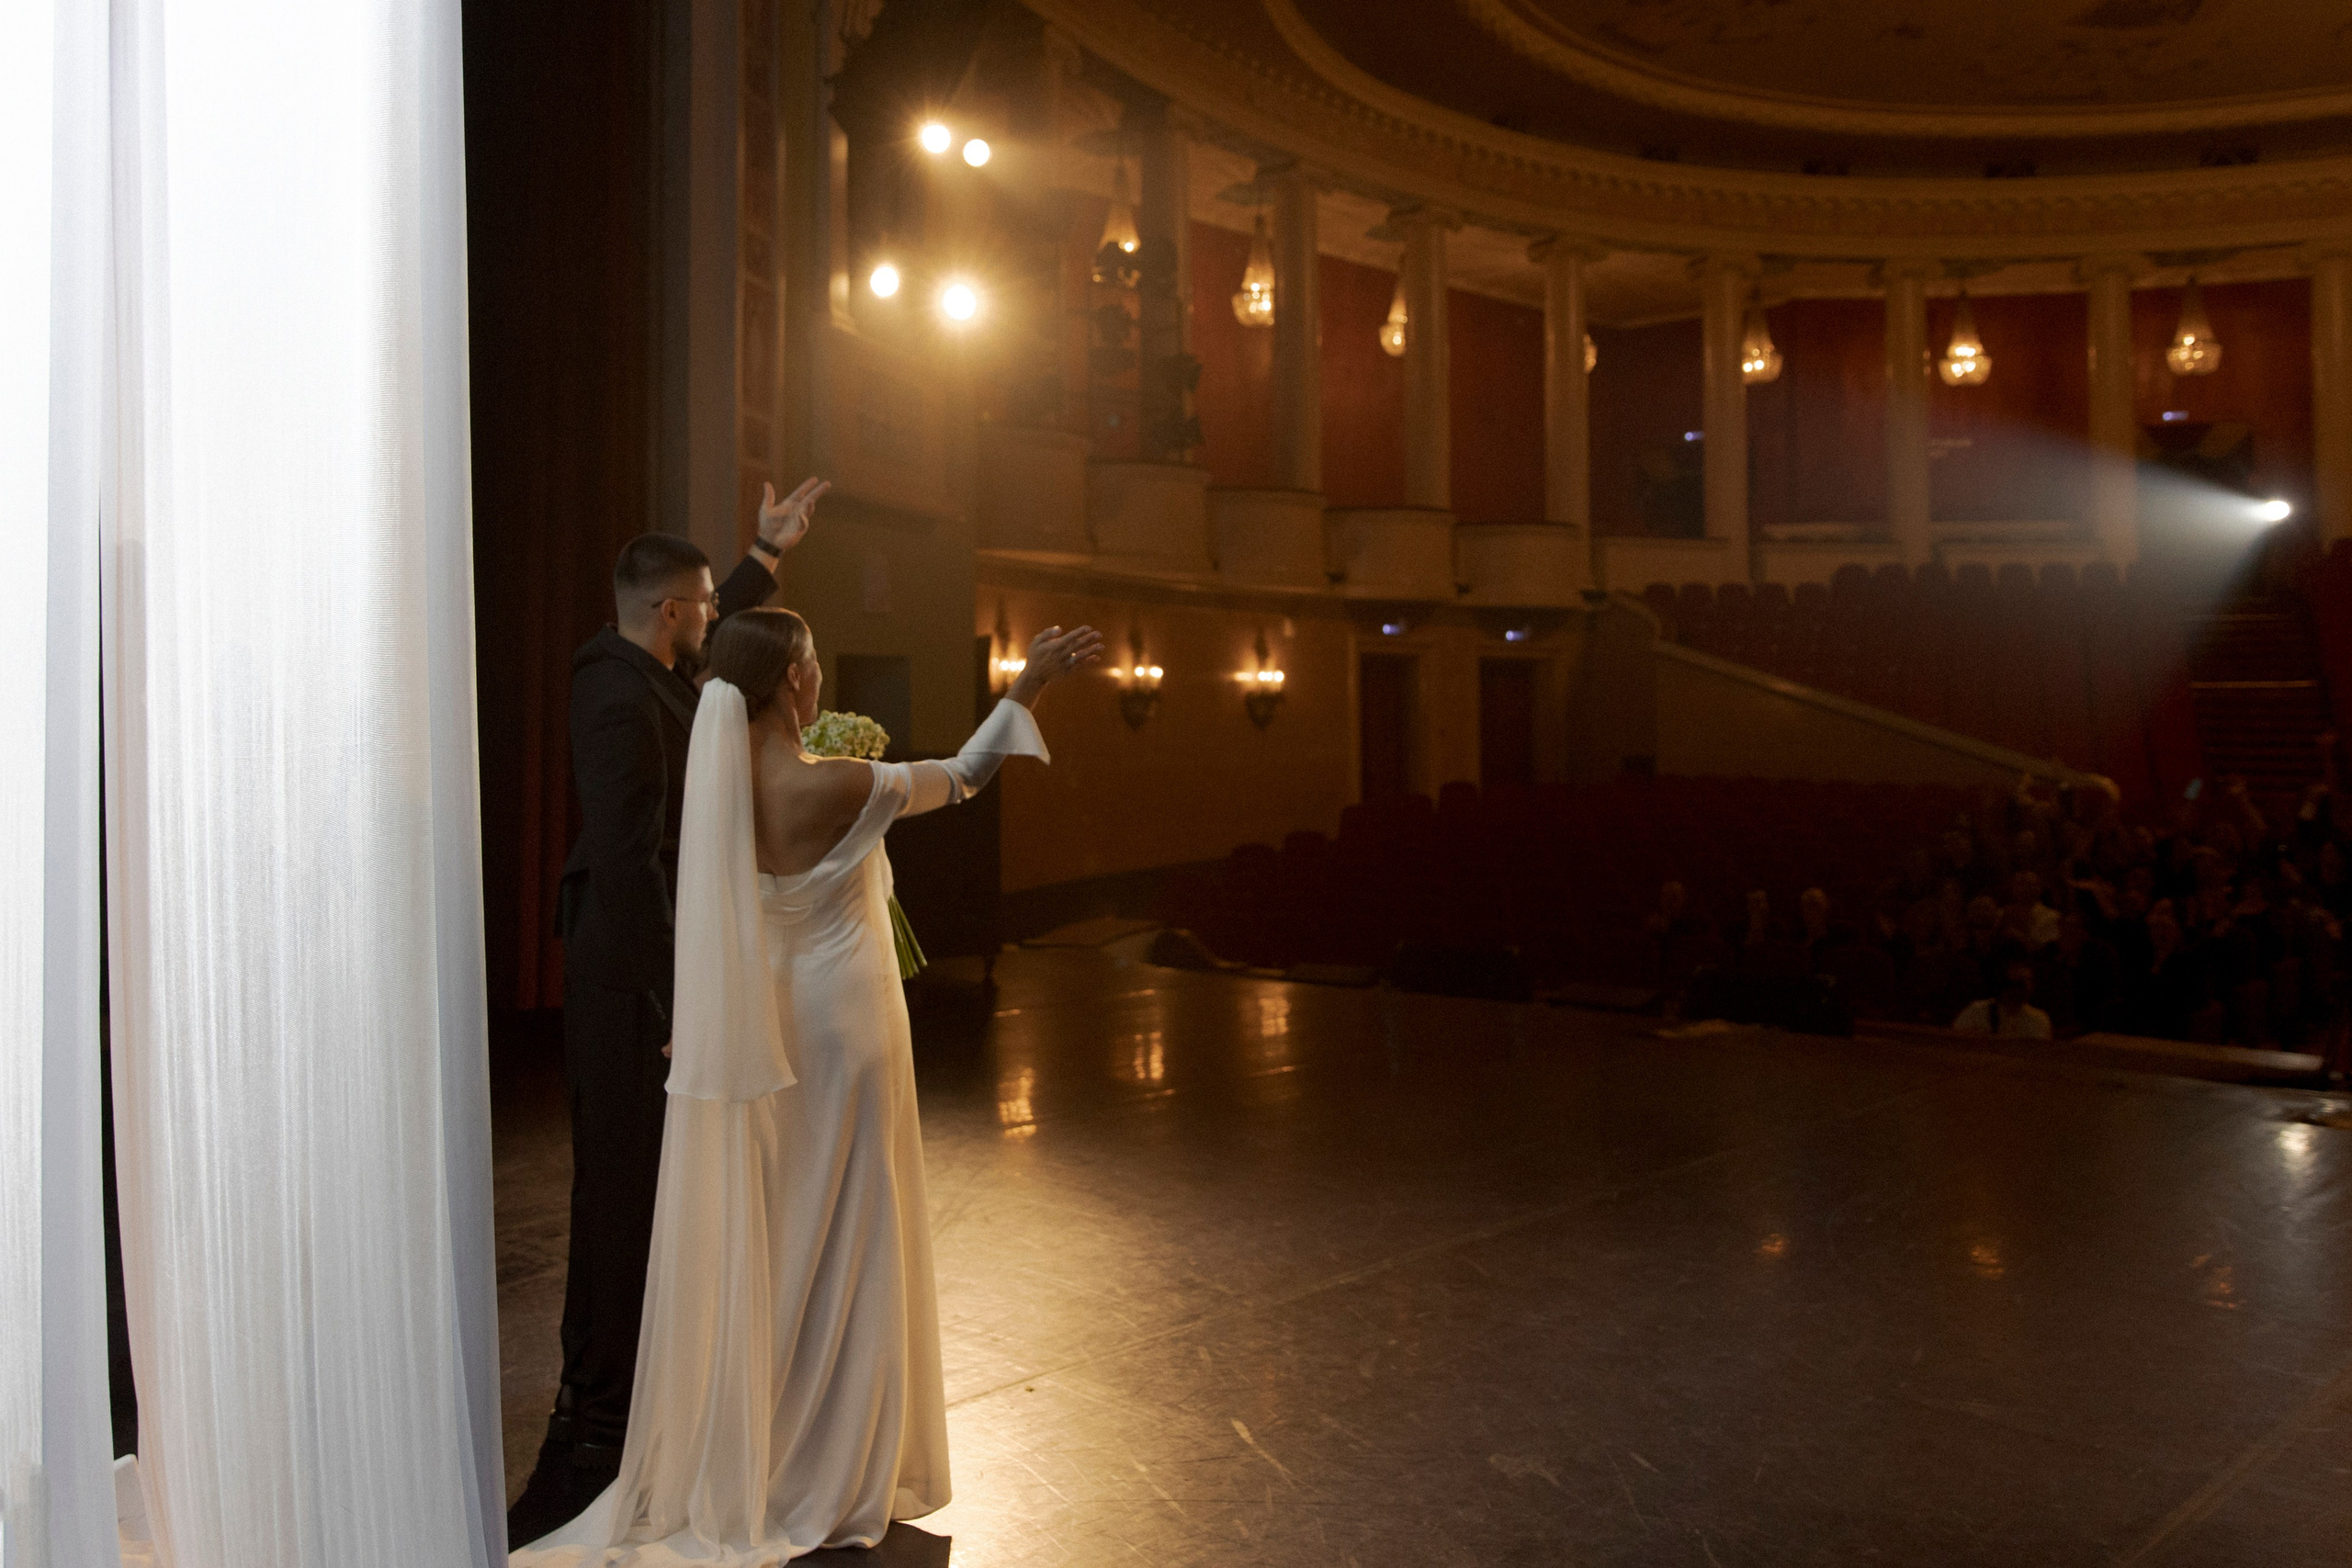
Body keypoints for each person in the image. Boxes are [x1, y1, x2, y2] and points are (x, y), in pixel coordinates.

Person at [513, 611, 1103, 1563]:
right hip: (846, 1028)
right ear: (793, 679)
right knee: (853, 1228)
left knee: (785, 1227)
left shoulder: (717, 788)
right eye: (815, 663)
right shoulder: (832, 783)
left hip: (764, 1023)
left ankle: (769, 1439)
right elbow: (960, 777)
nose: (821, 678)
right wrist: (1028, 685)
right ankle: (831, 1461)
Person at [509, 479, 831, 1542]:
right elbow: (627, 858)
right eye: (703, 605)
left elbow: (706, 640)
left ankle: (633, 1403)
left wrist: (761, 556)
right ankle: (593, 1424)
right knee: (618, 1194)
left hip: (642, 972)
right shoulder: (614, 691)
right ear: (669, 615)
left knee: (646, 1190)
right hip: (622, 982)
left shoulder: (648, 664)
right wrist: (674, 999)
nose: (712, 618)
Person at [1952, 962, 2052, 1040]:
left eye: (2029, 981)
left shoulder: (2038, 1018)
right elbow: (1956, 1039)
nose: (2027, 988)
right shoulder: (1977, 1011)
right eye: (2018, 984)